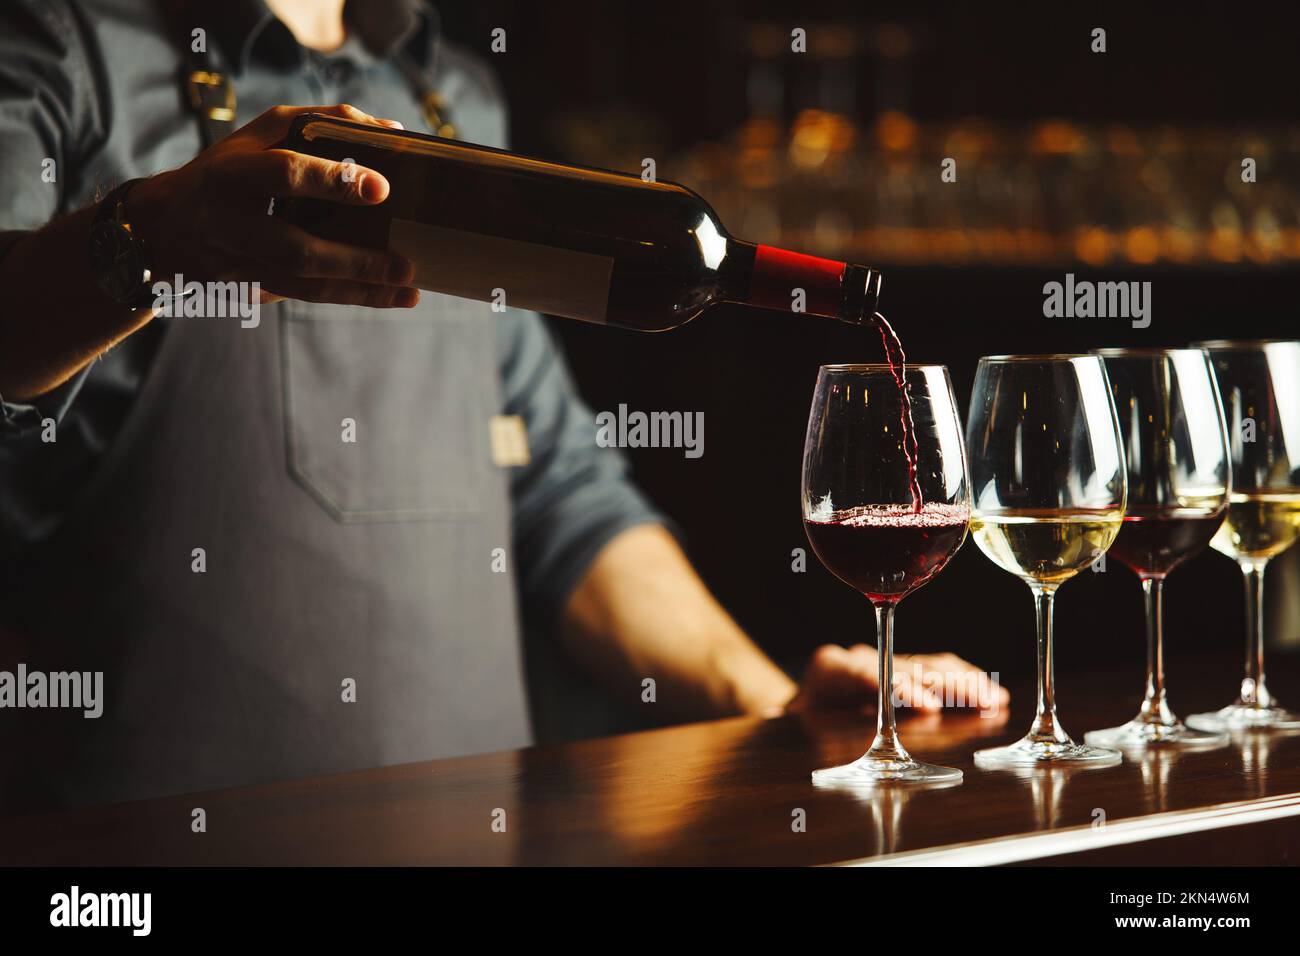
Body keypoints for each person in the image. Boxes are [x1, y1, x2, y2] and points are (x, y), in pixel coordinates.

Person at [0, 0, 1003, 810]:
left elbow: (560, 489)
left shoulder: (454, 103)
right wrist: (151, 235)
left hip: (472, 833)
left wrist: (775, 693)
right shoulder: (56, 46)